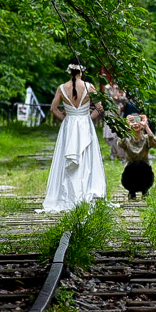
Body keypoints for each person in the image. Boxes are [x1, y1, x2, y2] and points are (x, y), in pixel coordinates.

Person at [42, 62, 107, 212]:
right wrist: (88, 119)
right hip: (84, 123)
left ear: (69, 72)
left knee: (66, 158)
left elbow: (53, 109)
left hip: (69, 125)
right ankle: (86, 190)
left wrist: (65, 118)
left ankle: (67, 194)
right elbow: (100, 107)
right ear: (82, 72)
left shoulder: (61, 88)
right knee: (86, 159)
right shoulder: (89, 86)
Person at [119, 113, 156, 199]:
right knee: (131, 168)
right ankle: (131, 191)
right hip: (131, 168)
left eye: (138, 122)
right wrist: (126, 127)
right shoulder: (127, 138)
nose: (136, 124)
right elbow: (120, 143)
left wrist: (146, 126)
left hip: (144, 168)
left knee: (144, 168)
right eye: (133, 122)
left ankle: (145, 190)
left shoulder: (146, 138)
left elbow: (154, 142)